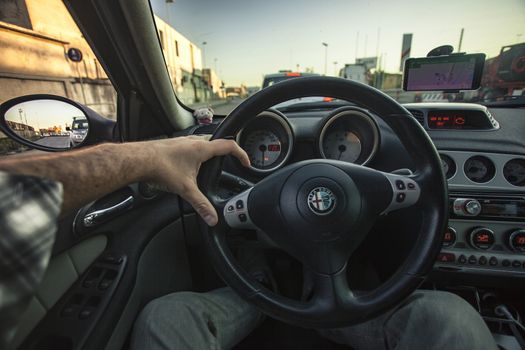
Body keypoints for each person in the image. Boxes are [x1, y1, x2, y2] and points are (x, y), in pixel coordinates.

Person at [0, 137, 497, 350]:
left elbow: (14, 200)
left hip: (298, 291)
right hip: (342, 303)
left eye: (342, 146)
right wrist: (143, 155)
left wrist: (145, 155)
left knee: (450, 314)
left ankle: (270, 285)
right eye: (266, 148)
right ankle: (278, 286)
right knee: (450, 316)